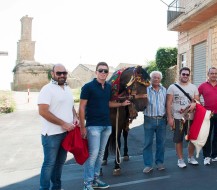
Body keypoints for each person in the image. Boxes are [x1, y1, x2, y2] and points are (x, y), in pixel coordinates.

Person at [79, 62, 131, 190]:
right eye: (100, 70)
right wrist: (82, 126)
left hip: (106, 126)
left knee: (100, 154)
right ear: (96, 72)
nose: (103, 73)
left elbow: (108, 103)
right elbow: (81, 107)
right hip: (93, 126)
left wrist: (121, 105)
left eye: (105, 71)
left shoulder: (107, 87)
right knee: (93, 155)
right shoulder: (88, 87)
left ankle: (96, 180)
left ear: (108, 73)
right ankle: (87, 183)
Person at [38, 64, 78, 190]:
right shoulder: (47, 89)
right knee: (49, 164)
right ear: (52, 73)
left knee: (60, 164)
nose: (62, 75)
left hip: (66, 134)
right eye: (59, 73)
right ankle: (44, 188)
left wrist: (75, 117)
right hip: (51, 135)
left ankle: (57, 187)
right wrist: (63, 124)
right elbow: (43, 111)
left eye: (64, 73)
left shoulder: (67, 89)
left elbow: (70, 106)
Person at [166, 67, 200, 168]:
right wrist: (170, 118)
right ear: (179, 75)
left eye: (187, 74)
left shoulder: (193, 87)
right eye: (183, 74)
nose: (185, 76)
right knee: (178, 139)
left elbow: (197, 101)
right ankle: (180, 160)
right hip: (178, 117)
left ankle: (190, 157)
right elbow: (168, 103)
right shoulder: (172, 87)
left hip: (191, 117)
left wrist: (194, 104)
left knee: (192, 139)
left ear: (189, 76)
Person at [198, 67, 217, 165]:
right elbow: (196, 96)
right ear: (208, 74)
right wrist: (201, 106)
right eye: (212, 73)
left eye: (215, 73)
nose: (214, 75)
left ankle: (215, 155)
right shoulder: (203, 86)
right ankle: (206, 156)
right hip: (207, 114)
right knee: (207, 135)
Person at [142, 71, 167, 173]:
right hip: (149, 119)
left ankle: (159, 162)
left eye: (158, 77)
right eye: (154, 77)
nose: (156, 79)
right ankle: (148, 165)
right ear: (150, 79)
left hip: (161, 120)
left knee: (161, 143)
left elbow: (167, 104)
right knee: (148, 143)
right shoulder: (146, 90)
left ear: (160, 79)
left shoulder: (164, 90)